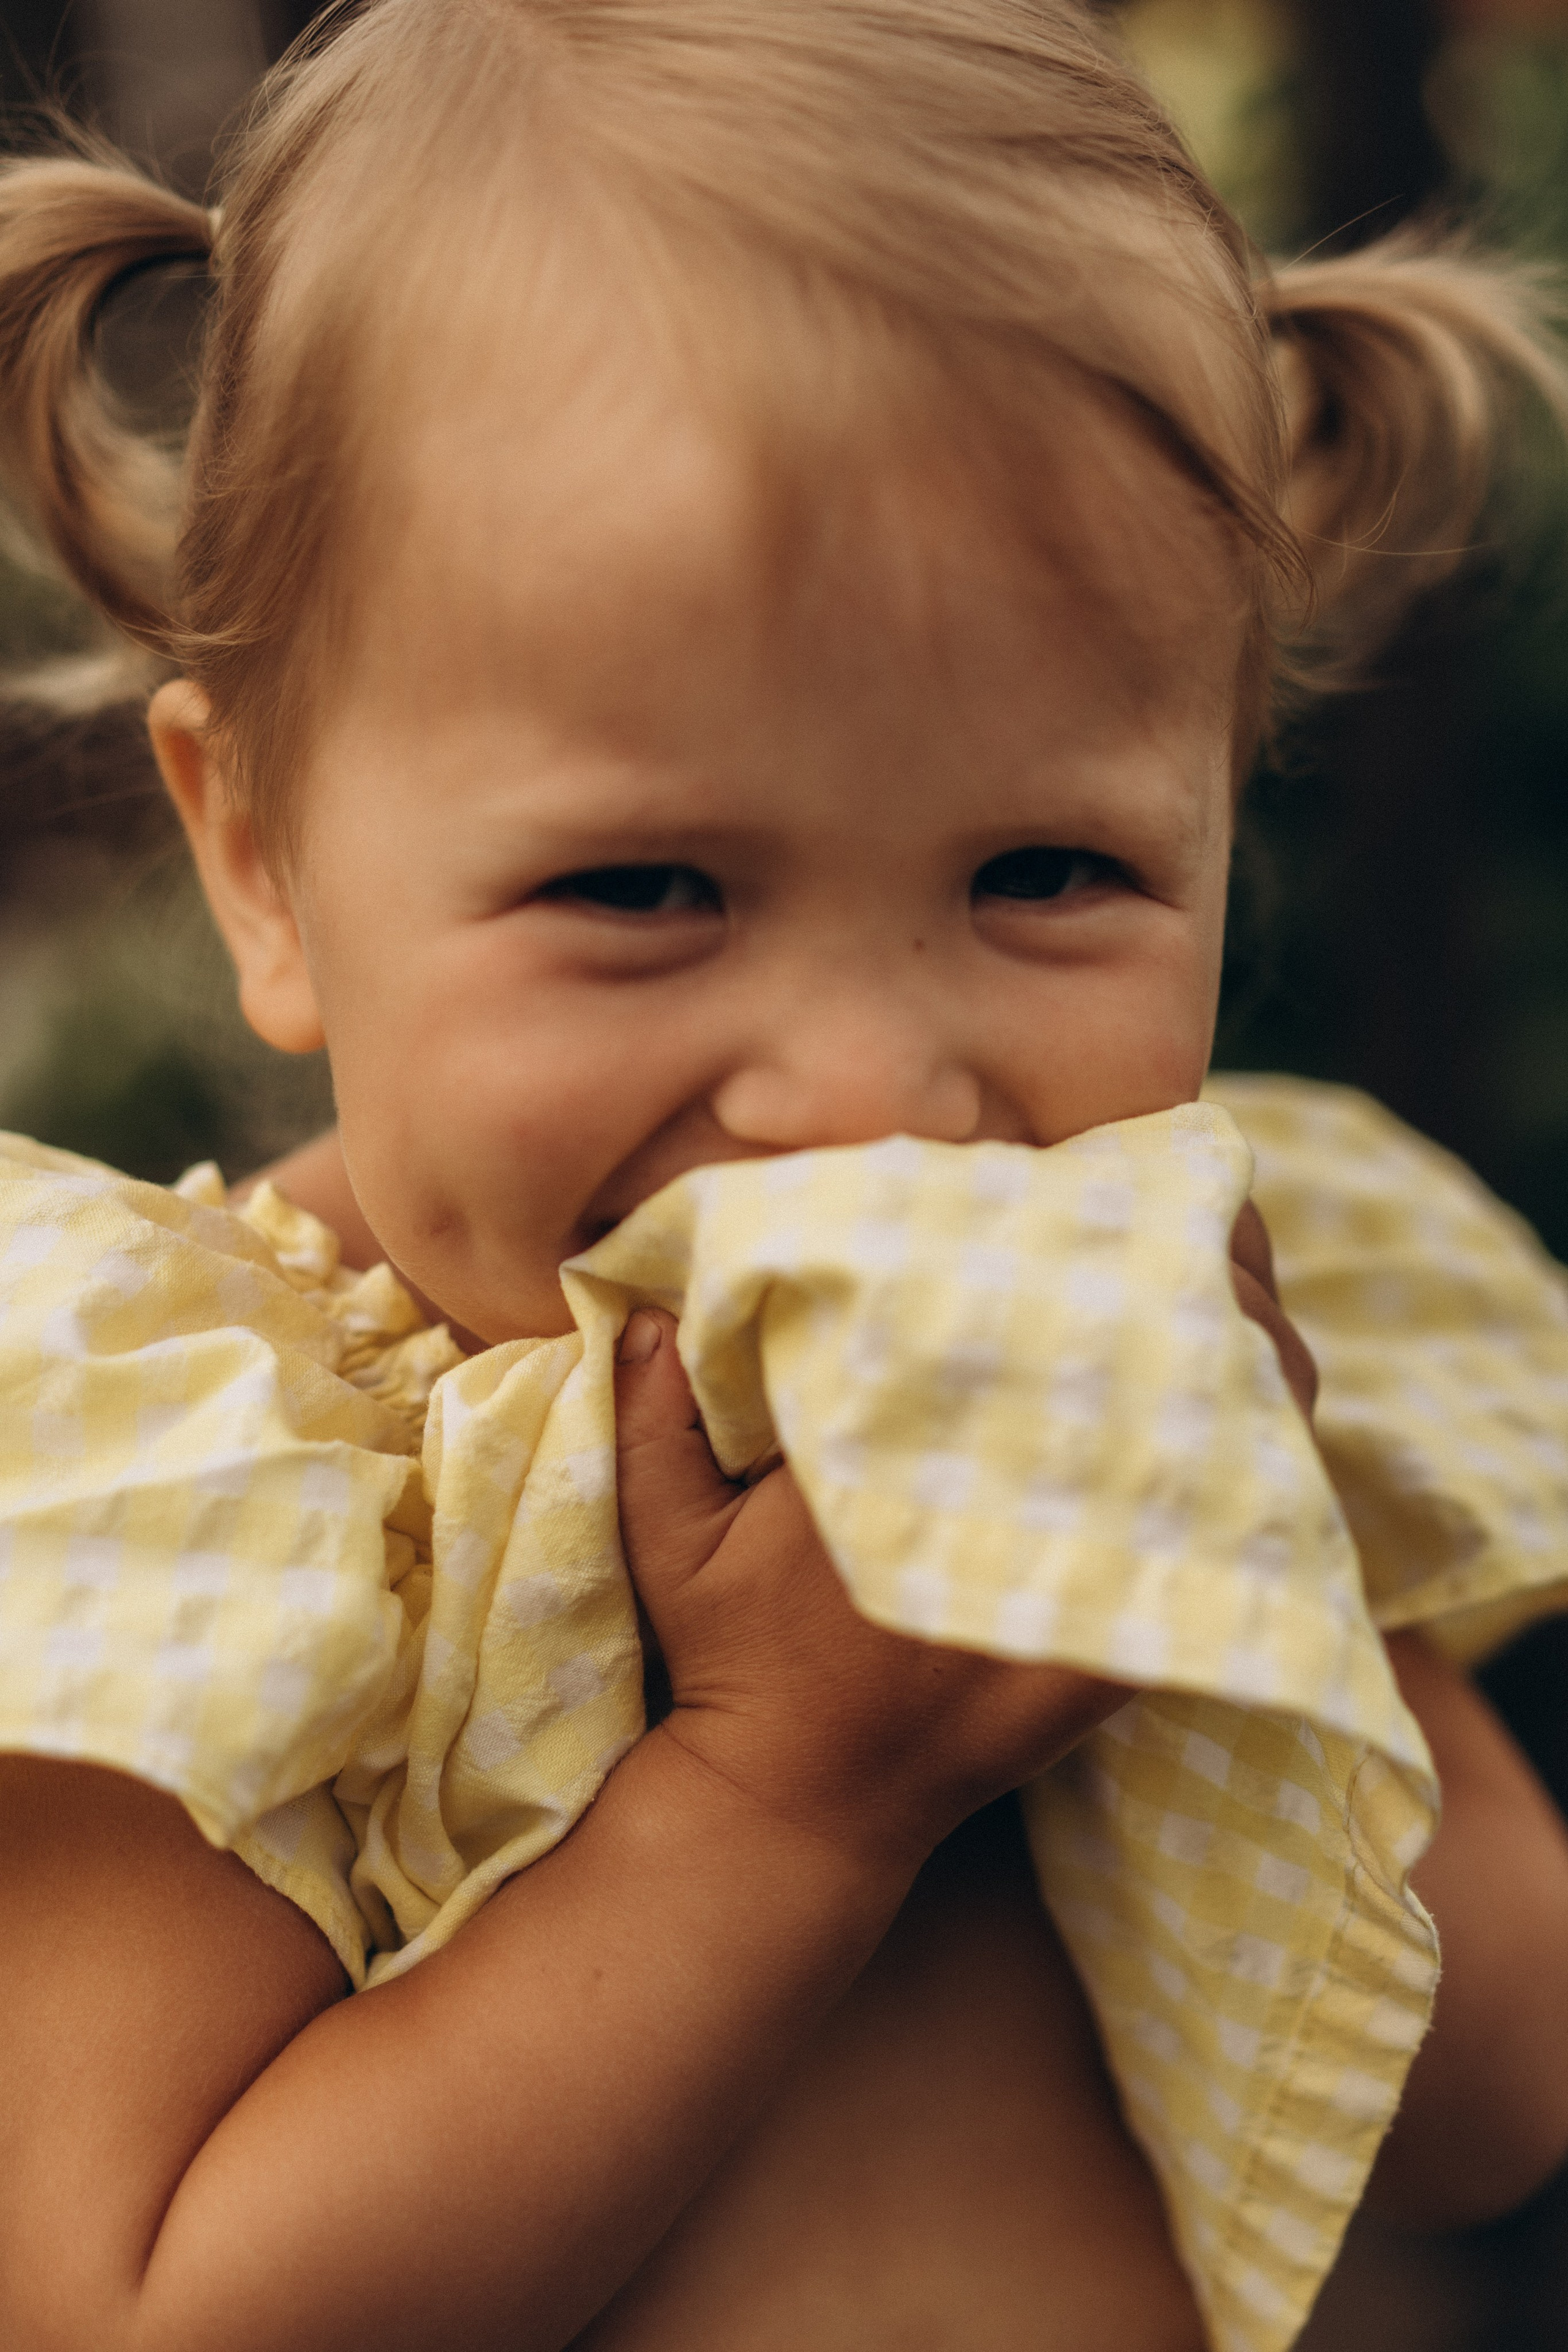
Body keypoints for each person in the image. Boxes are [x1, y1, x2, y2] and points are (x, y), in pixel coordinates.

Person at [1, 5, 1568, 2349]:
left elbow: (1497, 2105)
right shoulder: (210, 1467)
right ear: (268, 868)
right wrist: (781, 1805)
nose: (868, 1100)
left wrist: (1236, 1563)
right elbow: (149, 2314)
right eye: (646, 890)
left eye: (1046, 872)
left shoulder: (1214, 1321)